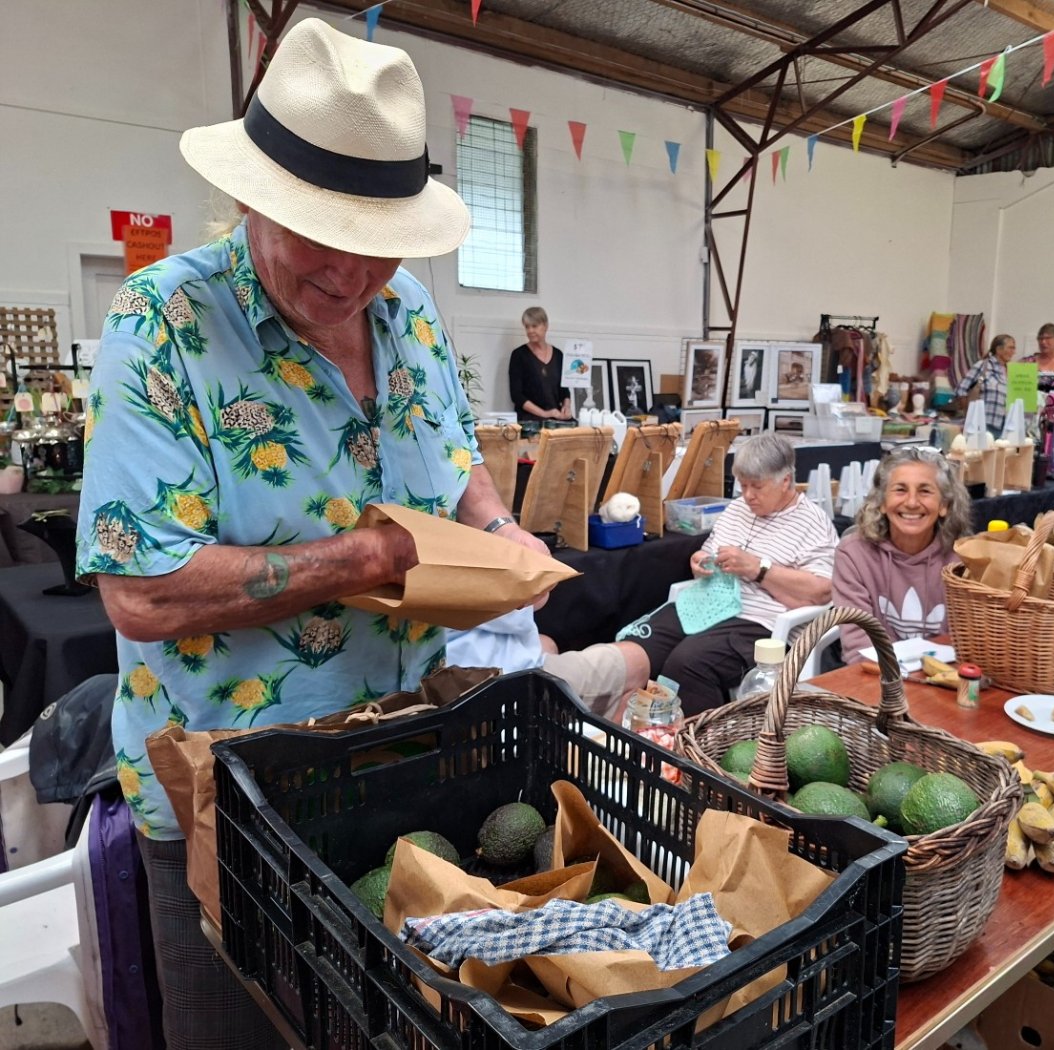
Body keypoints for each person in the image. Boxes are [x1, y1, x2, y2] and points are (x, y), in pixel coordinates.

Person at [75, 21, 548, 1049]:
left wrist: (501, 530)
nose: (348, 276)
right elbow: (141, 593)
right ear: (252, 200)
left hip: (403, 769)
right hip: (230, 802)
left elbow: (452, 451)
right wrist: (363, 562)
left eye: (376, 247)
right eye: (317, 239)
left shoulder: (409, 309)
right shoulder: (162, 322)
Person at [616, 434, 837, 711]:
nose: (748, 496)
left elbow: (820, 591)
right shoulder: (738, 509)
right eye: (743, 485)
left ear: (785, 480)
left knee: (688, 663)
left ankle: (696, 745)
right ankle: (624, 734)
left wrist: (758, 569)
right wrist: (700, 562)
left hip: (762, 621)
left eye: (757, 487)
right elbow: (709, 551)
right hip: (710, 603)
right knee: (638, 645)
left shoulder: (813, 523)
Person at [831, 447, 972, 665]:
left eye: (925, 491)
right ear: (882, 502)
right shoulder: (853, 555)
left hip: (946, 679)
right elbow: (858, 643)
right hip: (877, 678)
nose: (912, 502)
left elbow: (969, 645)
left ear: (944, 505)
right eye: (900, 490)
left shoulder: (965, 560)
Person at [445, 608, 649, 718]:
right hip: (492, 691)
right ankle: (591, 769)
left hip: (441, 668)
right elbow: (525, 601)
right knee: (636, 660)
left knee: (547, 643)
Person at [509, 305, 572, 421]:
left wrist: (566, 407)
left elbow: (564, 390)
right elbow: (516, 396)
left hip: (555, 416)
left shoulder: (559, 355)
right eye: (527, 327)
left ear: (546, 326)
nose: (530, 331)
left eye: (534, 326)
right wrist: (544, 413)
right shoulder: (518, 355)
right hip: (529, 419)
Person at [953, 333, 1017, 436]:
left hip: (1003, 426)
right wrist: (969, 415)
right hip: (982, 424)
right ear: (999, 349)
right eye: (1010, 348)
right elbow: (961, 390)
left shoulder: (1010, 371)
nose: (1013, 352)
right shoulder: (983, 366)